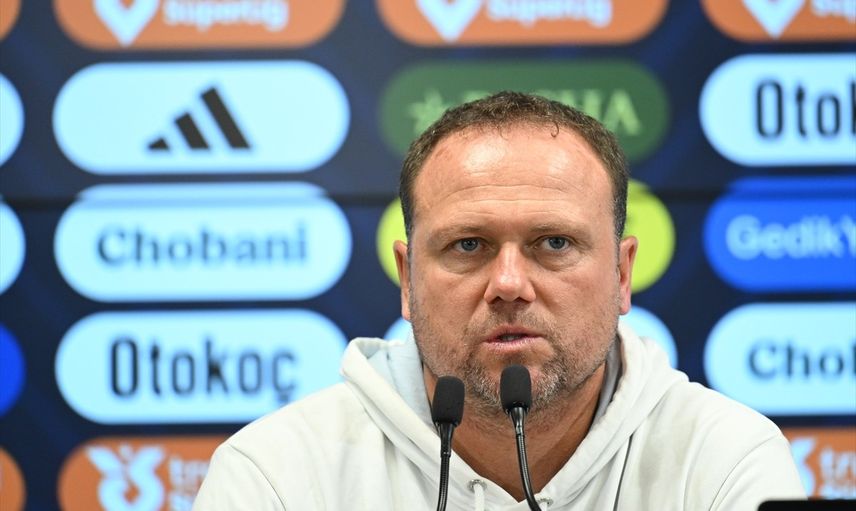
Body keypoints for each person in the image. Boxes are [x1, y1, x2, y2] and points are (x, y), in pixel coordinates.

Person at [192, 91, 805, 510]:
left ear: (622, 276)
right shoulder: (275, 476)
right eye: (468, 245)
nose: (509, 283)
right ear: (407, 280)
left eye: (554, 243)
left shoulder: (723, 460)